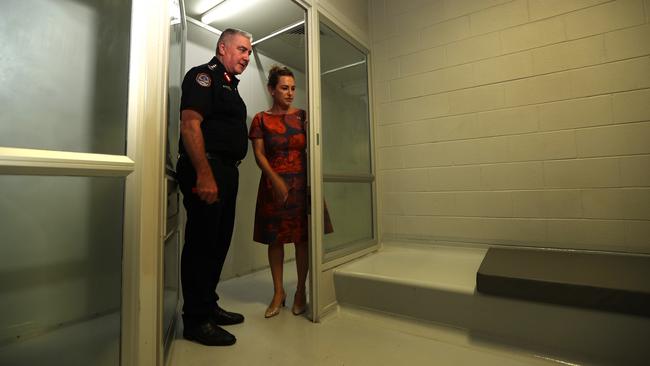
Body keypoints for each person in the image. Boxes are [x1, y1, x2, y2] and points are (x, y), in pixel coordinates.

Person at [176, 28, 252, 346]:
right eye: (242, 49)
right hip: (206, 169)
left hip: (226, 171)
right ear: (222, 48)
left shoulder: (231, 87)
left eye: (249, 52)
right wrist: (204, 174)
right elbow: (190, 123)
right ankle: (195, 321)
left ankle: (208, 306)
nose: (247, 57)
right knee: (202, 245)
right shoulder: (203, 77)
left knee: (218, 243)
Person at [248, 65, 332, 319]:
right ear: (272, 89)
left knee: (302, 239)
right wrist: (275, 180)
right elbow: (259, 154)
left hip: (302, 185)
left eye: (293, 88)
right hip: (274, 186)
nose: (290, 93)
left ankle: (300, 291)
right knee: (275, 240)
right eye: (284, 88)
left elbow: (314, 149)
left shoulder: (303, 116)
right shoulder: (260, 119)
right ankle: (278, 292)